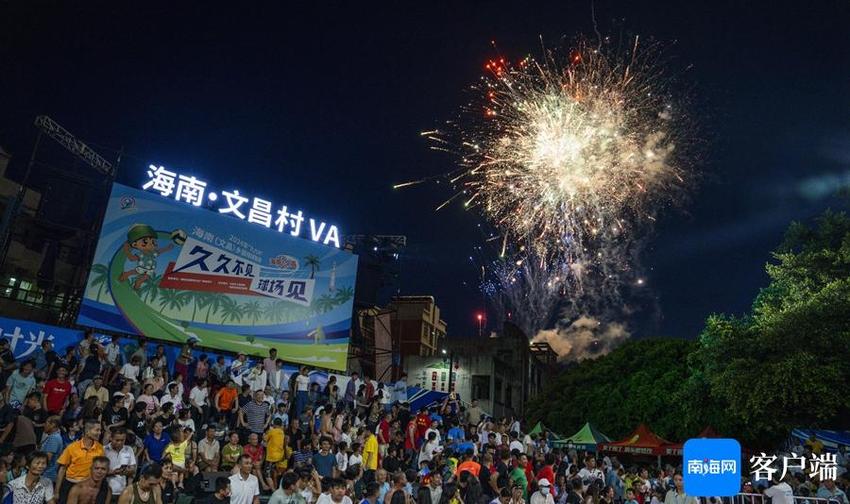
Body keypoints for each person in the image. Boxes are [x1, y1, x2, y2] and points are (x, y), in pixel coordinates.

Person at [56, 418, 105, 502]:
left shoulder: (100, 448)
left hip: (88, 487)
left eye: (100, 430)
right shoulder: (72, 447)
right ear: (87, 431)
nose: (99, 433)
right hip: (69, 485)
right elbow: (62, 469)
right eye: (97, 430)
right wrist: (56, 491)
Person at [105, 426, 137, 499]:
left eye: (122, 440)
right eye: (117, 440)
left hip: (122, 491)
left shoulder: (129, 449)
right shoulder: (104, 450)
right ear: (111, 438)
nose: (119, 443)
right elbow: (100, 472)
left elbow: (133, 469)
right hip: (106, 491)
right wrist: (114, 472)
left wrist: (128, 471)